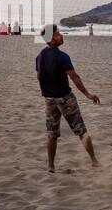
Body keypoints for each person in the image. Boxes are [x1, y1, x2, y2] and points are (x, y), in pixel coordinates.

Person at [36, 25, 99, 172]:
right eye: (58, 34)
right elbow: (74, 77)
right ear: (51, 39)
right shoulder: (62, 56)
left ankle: (51, 166)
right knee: (81, 130)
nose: (61, 36)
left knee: (52, 134)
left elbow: (39, 77)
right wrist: (88, 94)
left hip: (49, 100)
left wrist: (46, 92)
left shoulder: (40, 56)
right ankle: (94, 161)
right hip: (65, 98)